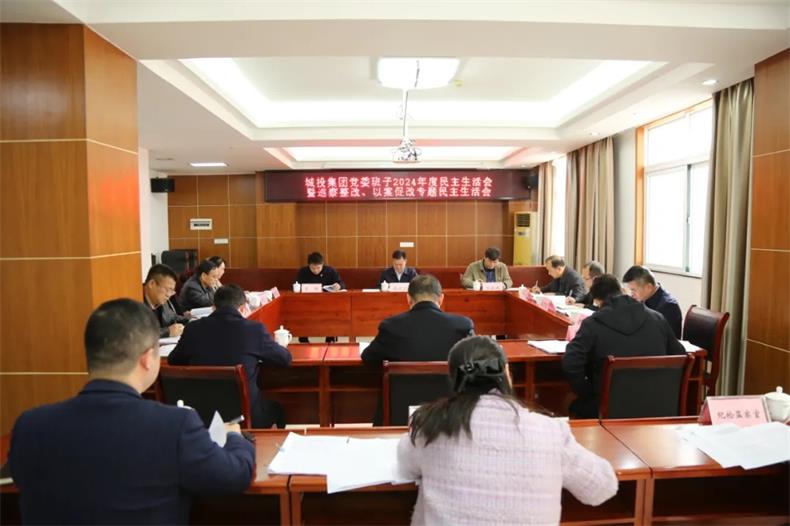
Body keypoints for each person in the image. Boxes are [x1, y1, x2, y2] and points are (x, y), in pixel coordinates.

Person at [8, 299, 254, 524]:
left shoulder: (29, 427)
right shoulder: (175, 426)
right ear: (147, 358)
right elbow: (235, 476)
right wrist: (234, 437)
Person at [398, 336, 618, 525]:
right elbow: (602, 488)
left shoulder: (431, 425)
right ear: (506, 373)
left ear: (453, 379)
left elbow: (406, 465)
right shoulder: (551, 431)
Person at [562, 274, 686, 418]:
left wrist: (588, 392)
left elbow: (570, 362)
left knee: (571, 403)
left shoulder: (593, 324)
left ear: (597, 301)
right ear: (622, 291)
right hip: (659, 405)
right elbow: (680, 355)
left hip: (609, 407)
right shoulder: (657, 318)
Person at [169, 284, 292, 428]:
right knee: (277, 408)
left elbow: (173, 360)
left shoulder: (193, 329)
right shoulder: (254, 330)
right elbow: (285, 359)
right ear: (243, 308)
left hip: (203, 416)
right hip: (245, 416)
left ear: (213, 307)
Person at [361, 275, 474, 364]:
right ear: (441, 299)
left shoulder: (391, 327)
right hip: (449, 387)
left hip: (404, 388)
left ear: (408, 298)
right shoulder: (462, 326)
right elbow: (479, 359)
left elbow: (368, 357)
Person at [295, 252, 345, 342]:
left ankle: (330, 338)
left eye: (318, 267)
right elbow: (296, 285)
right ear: (309, 265)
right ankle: (303, 338)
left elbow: (341, 284)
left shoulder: (330, 271)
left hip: (328, 303)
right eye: (313, 268)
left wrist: (339, 286)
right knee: (300, 313)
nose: (316, 270)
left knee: (333, 313)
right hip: (307, 302)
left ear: (322, 264)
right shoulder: (303, 272)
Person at [622, 265, 683, 339]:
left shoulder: (669, 307)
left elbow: (664, 340)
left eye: (633, 290)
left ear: (649, 287)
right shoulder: (643, 299)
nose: (632, 294)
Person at [143, 263, 189, 337]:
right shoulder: (136, 303)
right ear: (152, 284)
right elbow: (141, 333)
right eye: (167, 289)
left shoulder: (162, 301)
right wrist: (168, 331)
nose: (169, 295)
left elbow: (173, 317)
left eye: (172, 291)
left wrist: (191, 321)